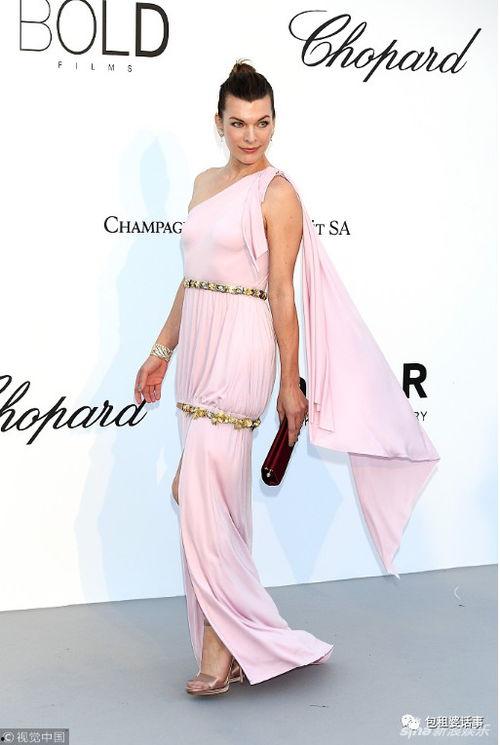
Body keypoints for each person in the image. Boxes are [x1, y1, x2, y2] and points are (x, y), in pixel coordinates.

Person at [133, 59, 440, 696]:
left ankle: (221, 651)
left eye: (263, 122)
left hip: (242, 347)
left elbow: (281, 293)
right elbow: (192, 281)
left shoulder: (278, 194)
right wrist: (162, 349)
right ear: (218, 123)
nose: (251, 136)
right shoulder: (203, 184)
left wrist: (290, 383)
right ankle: (238, 641)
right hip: (198, 349)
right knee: (209, 499)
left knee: (201, 496)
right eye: (239, 123)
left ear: (274, 122)